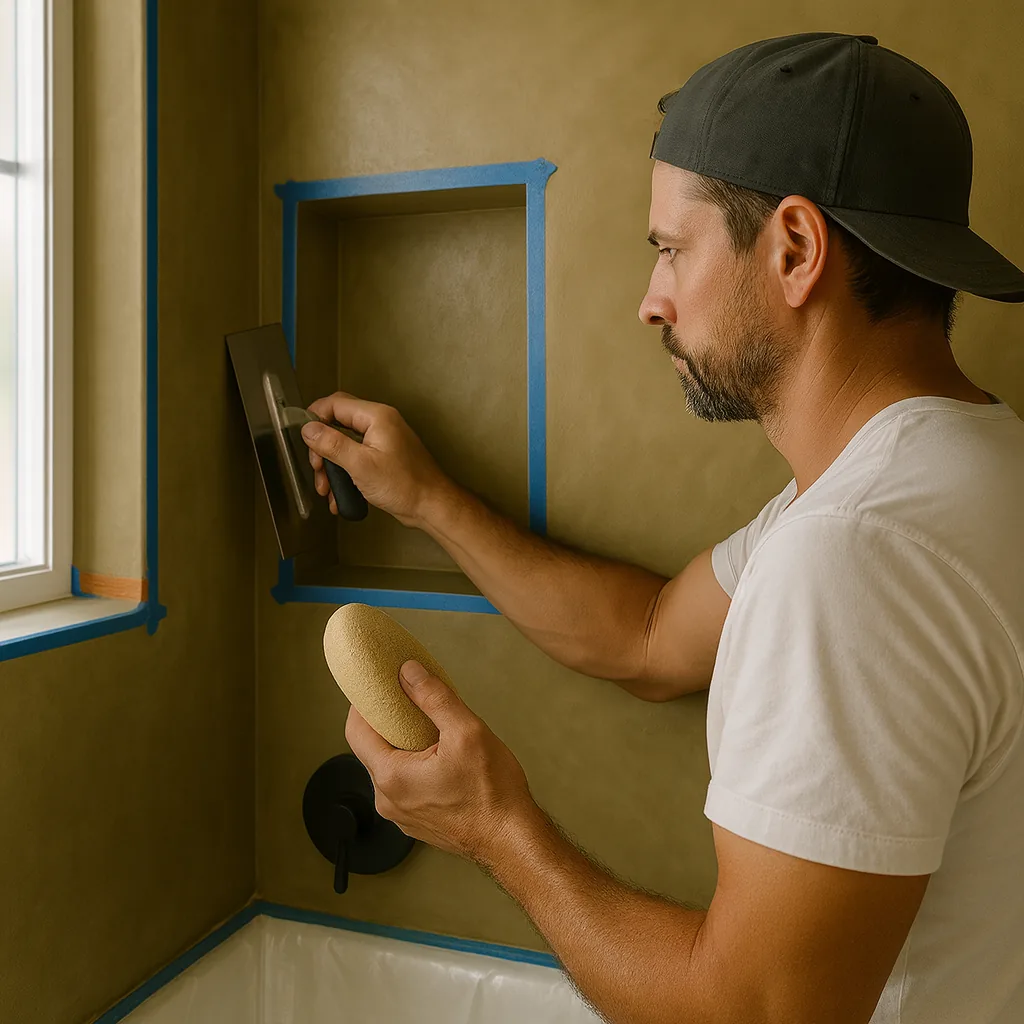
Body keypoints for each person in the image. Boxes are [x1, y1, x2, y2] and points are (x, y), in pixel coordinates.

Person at [299, 32, 1024, 1024]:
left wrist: (492, 826)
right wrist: (426, 498)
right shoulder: (956, 470)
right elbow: (645, 639)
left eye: (671, 249)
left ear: (795, 250)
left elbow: (756, 1013)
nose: (651, 302)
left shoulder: (854, 550)